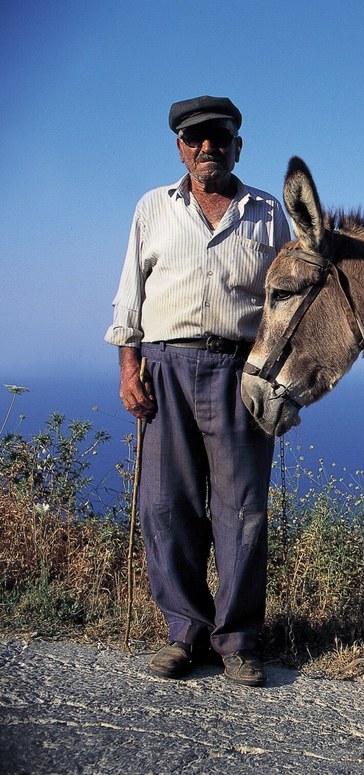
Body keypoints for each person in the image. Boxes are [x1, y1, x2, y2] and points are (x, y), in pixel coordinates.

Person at [105, 96, 291, 686]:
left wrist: (279, 378)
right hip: (165, 367)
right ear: (180, 147)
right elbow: (129, 296)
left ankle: (236, 640)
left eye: (218, 137)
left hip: (241, 369)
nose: (206, 147)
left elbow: (285, 301)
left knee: (242, 512)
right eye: (195, 138)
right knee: (165, 506)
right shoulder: (152, 208)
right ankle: (184, 633)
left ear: (238, 146)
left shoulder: (266, 213)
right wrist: (128, 370)